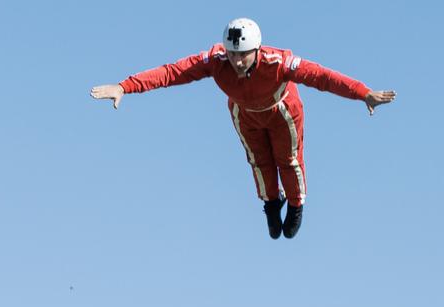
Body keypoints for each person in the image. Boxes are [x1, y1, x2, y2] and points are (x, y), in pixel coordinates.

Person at [91, 18, 395, 239]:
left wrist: (362, 92)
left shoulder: (280, 63)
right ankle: (270, 203)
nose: (237, 61)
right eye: (233, 54)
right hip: (244, 113)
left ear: (257, 50)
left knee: (287, 160)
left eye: (244, 54)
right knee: (259, 161)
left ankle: (296, 204)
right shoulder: (215, 60)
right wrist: (124, 87)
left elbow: (322, 77)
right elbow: (172, 72)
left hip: (281, 110)